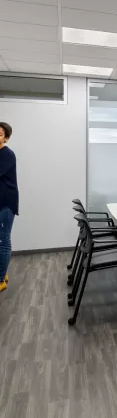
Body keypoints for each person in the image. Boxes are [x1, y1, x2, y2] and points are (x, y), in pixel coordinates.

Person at [0, 122, 18, 293]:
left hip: (6, 203)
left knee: (3, 240)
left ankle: (1, 279)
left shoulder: (7, 154)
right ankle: (3, 272)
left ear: (6, 137)